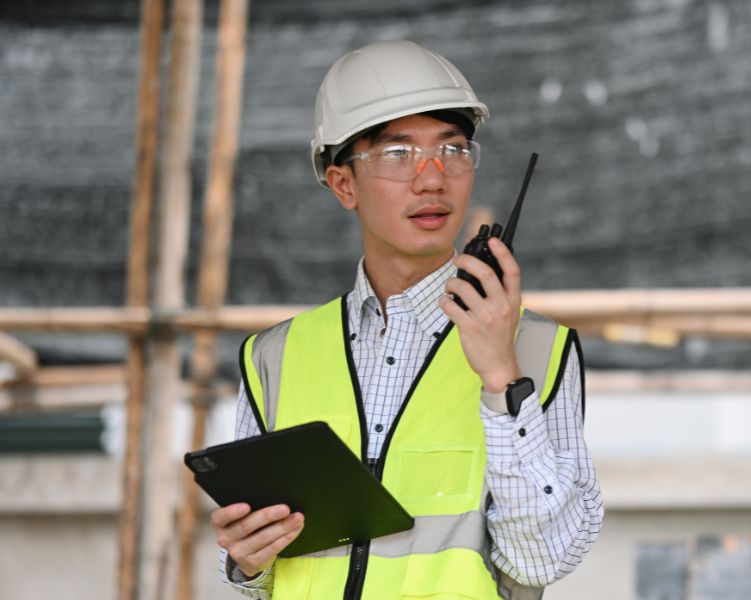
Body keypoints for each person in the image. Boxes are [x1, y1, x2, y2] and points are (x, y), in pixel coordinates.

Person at [211, 40, 603, 599]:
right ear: (343, 183)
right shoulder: (273, 356)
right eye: (398, 154)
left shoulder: (540, 350)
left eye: (454, 150)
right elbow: (264, 578)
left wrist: (501, 379)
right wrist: (248, 560)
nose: (432, 178)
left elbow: (543, 558)